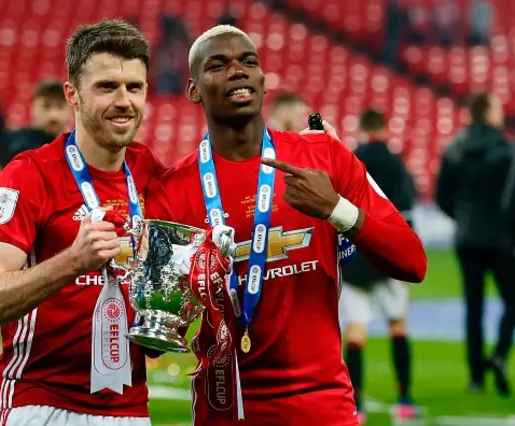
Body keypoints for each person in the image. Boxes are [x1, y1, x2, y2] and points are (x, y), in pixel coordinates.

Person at [145, 25, 427, 425]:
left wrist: (336, 209)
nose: (238, 71)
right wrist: (185, 286)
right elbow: (155, 337)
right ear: (193, 89)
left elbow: (413, 262)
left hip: (322, 404)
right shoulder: (172, 191)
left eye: (248, 62)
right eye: (219, 65)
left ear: (263, 79)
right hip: (226, 405)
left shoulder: (326, 156)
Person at [0, 20, 164, 426]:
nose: (124, 100)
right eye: (107, 87)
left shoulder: (151, 173)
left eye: (134, 87)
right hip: (40, 406)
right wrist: (73, 261)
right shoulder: (30, 175)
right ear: (72, 94)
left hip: (130, 409)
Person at [339, 109, 418, 424]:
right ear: (385, 128)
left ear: (361, 128)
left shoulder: (350, 160)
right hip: (387, 259)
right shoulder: (396, 163)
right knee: (398, 325)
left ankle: (357, 407)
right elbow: (406, 214)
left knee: (356, 333)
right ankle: (405, 399)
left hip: (356, 258)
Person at [437, 92, 515, 396]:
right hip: (499, 238)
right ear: (488, 112)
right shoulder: (505, 149)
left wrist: (461, 218)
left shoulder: (455, 148)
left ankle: (475, 377)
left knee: (473, 308)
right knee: (512, 300)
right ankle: (498, 355)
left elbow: (442, 195)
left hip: (467, 237)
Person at [3, 79, 72, 165]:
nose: (53, 115)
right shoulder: (17, 147)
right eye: (46, 106)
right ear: (33, 109)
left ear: (70, 110)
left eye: (60, 107)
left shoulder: (75, 150)